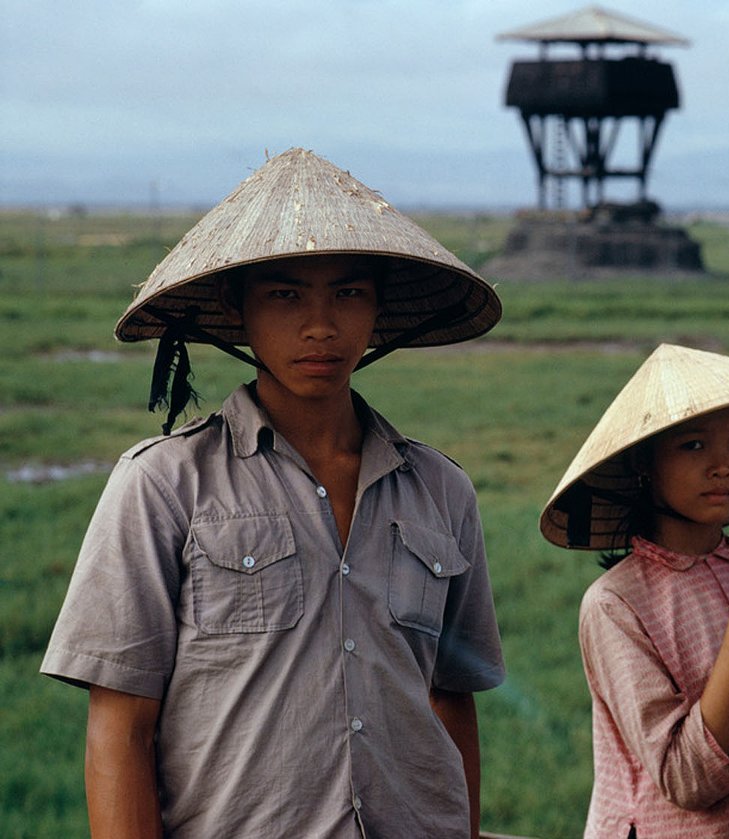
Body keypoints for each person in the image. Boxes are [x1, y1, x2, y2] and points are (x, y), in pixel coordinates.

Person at [41, 148, 506, 838]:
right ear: (239, 307)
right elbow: (120, 728)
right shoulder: (165, 484)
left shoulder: (442, 490)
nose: (320, 326)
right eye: (286, 296)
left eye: (348, 294)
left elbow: (452, 700)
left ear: (377, 308)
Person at [540, 343, 729, 838]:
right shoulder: (616, 605)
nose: (722, 466)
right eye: (693, 445)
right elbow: (687, 779)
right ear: (645, 462)